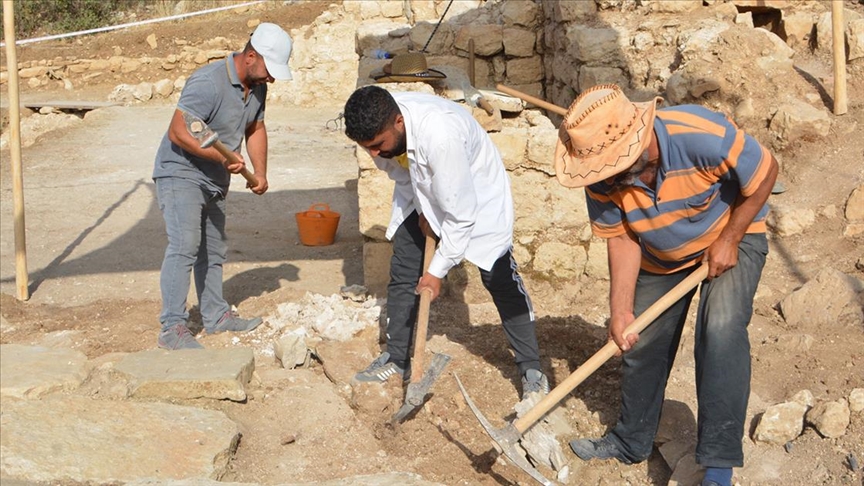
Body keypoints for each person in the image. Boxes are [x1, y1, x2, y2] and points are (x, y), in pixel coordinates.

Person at [556, 84, 778, 486]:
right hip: (661, 255)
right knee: (638, 340)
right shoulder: (600, 177)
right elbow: (622, 238)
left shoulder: (699, 134)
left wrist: (729, 239)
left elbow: (766, 170)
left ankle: (717, 465)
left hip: (732, 235)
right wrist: (621, 309)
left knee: (720, 330)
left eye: (613, 169)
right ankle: (630, 442)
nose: (607, 180)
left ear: (640, 144)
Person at [342, 85, 548, 399]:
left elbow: (462, 216)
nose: (373, 153)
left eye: (377, 145)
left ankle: (531, 367)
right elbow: (400, 172)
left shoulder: (441, 136)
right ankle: (397, 359)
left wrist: (436, 272)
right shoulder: (381, 135)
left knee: (498, 274)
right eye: (366, 146)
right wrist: (424, 207)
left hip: (474, 190)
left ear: (399, 122)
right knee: (404, 268)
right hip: (422, 188)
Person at [152, 23, 293, 350]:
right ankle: (172, 327)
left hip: (216, 176)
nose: (271, 78)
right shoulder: (208, 82)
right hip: (180, 171)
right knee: (186, 243)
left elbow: (255, 127)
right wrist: (219, 159)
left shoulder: (257, 87)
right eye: (269, 70)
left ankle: (215, 316)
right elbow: (179, 131)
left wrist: (261, 171)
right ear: (251, 56)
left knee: (213, 249)